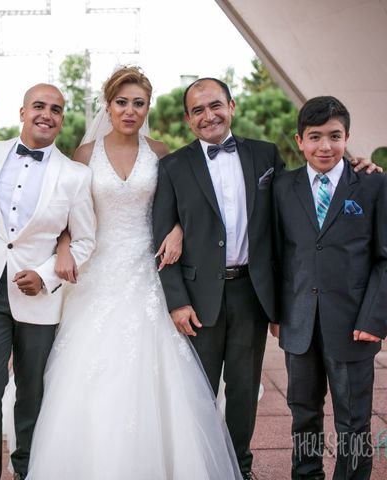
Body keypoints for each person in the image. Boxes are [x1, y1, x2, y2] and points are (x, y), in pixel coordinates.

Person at [152, 78, 379, 479]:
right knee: (294, 410)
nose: (209, 115)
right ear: (188, 120)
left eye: (216, 105)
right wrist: (180, 238)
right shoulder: (175, 167)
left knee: (346, 416)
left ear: (232, 106)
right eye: (199, 110)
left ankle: (251, 466)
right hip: (240, 305)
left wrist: (360, 163)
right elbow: (168, 228)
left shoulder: (269, 158)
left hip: (292, 305)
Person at [25, 67, 241, 479]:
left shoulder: (160, 152)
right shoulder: (85, 155)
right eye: (122, 102)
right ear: (108, 106)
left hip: (149, 273)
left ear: (147, 108)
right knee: (92, 372)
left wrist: (177, 228)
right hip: (97, 276)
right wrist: (65, 249)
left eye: (138, 103)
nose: (129, 110)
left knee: (157, 374)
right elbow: (68, 216)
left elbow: (183, 203)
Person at [0, 83, 97, 480]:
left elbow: (86, 238)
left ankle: (27, 469)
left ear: (62, 119)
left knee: (33, 390)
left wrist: (44, 276)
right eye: (38, 106)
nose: (47, 114)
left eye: (56, 109)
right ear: (22, 112)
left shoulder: (75, 176)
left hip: (39, 299)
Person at [272, 96, 386, 479]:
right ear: (299, 140)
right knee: (303, 414)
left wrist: (375, 319)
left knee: (353, 420)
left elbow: (384, 258)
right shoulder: (282, 188)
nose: (325, 146)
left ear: (347, 137)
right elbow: (277, 254)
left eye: (335, 136)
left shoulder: (372, 185)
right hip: (299, 322)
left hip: (354, 324)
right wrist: (276, 314)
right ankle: (306, 474)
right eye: (315, 137)